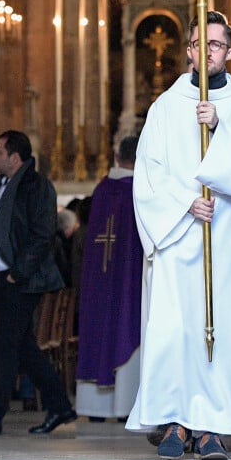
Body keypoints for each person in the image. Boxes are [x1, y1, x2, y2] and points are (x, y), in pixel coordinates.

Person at [126, 11, 231, 460]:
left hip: (227, 242)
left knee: (221, 330)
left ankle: (213, 425)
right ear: (189, 49)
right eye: (199, 43)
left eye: (216, 44)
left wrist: (219, 128)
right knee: (177, 331)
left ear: (229, 52)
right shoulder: (164, 107)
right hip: (177, 241)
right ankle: (176, 420)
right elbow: (148, 176)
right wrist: (183, 202)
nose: (206, 51)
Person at [0, 130, 76, 436]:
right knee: (22, 347)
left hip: (22, 280)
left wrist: (16, 273)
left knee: (7, 346)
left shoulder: (38, 187)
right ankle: (60, 407)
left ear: (15, 156)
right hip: (1, 279)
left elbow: (41, 235)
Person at [76, 135, 142, 420]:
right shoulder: (140, 190)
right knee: (127, 327)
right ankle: (126, 406)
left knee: (98, 331)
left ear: (116, 158)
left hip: (99, 278)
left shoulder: (102, 190)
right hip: (130, 277)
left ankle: (95, 408)